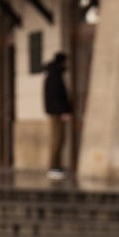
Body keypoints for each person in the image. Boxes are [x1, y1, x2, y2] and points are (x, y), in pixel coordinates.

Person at [43, 51, 73, 180]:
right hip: (57, 113)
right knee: (57, 139)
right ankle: (53, 167)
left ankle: (56, 166)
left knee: (59, 139)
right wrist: (63, 111)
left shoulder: (53, 74)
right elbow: (57, 96)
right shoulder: (55, 75)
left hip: (56, 112)